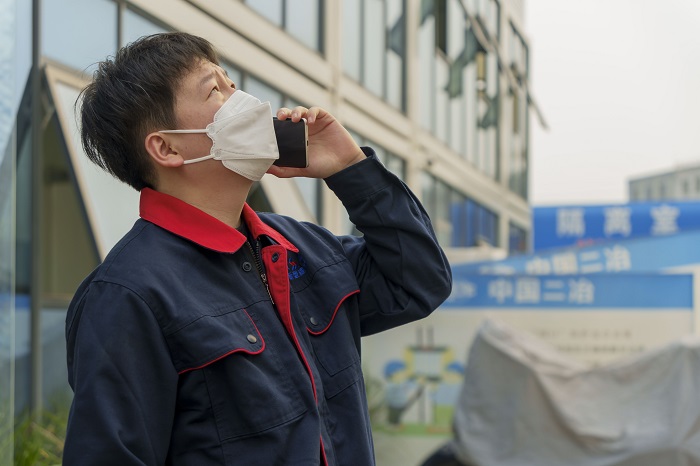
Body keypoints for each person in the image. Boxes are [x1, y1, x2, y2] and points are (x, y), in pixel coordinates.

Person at [64, 32, 452, 465]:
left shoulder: (303, 247)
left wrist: (350, 168)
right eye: (215, 91)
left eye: (231, 83)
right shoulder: (128, 295)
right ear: (167, 147)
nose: (243, 100)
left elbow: (419, 281)